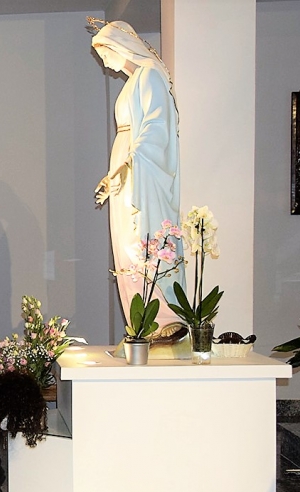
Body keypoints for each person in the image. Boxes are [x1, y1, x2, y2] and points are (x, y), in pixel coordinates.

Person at [92, 19, 185, 328]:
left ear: (120, 46)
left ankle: (164, 320)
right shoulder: (133, 82)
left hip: (141, 172)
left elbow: (155, 127)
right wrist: (114, 175)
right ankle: (142, 322)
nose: (104, 60)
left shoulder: (149, 75)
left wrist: (126, 166)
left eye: (105, 52)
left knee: (141, 241)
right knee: (126, 245)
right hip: (127, 171)